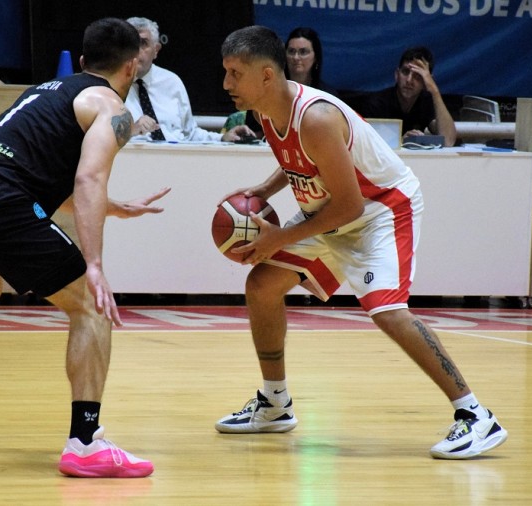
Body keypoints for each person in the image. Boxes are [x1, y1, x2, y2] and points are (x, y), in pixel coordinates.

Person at [214, 26, 508, 460]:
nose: (226, 83)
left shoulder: (315, 118)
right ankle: (275, 404)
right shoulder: (266, 111)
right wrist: (264, 188)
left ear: (266, 76)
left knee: (386, 310)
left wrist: (280, 237)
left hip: (379, 209)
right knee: (262, 286)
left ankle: (476, 416)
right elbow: (300, 159)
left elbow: (351, 206)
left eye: (235, 73)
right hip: (329, 209)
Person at [0, 17, 170, 478]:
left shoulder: (47, 90)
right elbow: (88, 178)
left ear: (83, 61)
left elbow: (41, 179)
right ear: (131, 67)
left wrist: (115, 208)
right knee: (91, 305)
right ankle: (86, 443)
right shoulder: (113, 108)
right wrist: (94, 264)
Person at [124, 17, 254, 142]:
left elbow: (190, 133)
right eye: (130, 43)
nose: (136, 50)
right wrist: (130, 131)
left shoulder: (172, 82)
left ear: (156, 50)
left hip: (176, 155)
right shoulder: (113, 84)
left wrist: (222, 138)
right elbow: (110, 138)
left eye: (143, 43)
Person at [239, 26, 338, 139]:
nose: (296, 57)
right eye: (291, 51)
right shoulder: (265, 92)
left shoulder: (328, 96)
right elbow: (253, 134)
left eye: (303, 52)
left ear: (315, 57)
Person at [356, 46, 457, 146]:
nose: (409, 80)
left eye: (417, 75)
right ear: (397, 75)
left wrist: (434, 90)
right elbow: (365, 144)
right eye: (405, 72)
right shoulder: (376, 104)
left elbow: (448, 141)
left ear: (426, 80)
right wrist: (400, 141)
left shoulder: (427, 102)